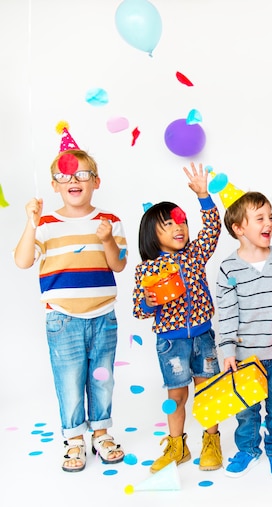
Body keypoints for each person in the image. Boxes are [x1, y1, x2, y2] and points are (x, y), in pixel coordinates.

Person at [14, 149, 127, 472]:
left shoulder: (110, 222)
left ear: (96, 182)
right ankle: (75, 439)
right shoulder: (46, 224)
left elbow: (118, 264)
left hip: (103, 315)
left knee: (102, 379)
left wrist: (107, 241)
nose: (73, 180)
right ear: (53, 184)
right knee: (69, 380)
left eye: (81, 174)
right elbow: (23, 261)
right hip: (63, 318)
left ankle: (101, 434)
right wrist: (30, 224)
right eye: (65, 175)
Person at [132, 162, 223, 474]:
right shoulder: (146, 269)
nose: (178, 228)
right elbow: (138, 308)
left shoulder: (195, 254)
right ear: (151, 235)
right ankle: (177, 445)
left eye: (180, 222)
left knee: (207, 389)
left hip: (203, 336)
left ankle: (211, 441)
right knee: (177, 394)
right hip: (170, 343)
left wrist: (204, 196)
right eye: (167, 225)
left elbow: (212, 229)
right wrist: (148, 301)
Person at [215, 191, 272, 480]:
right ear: (239, 229)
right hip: (244, 355)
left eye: (271, 217)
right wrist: (228, 352)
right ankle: (249, 449)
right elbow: (227, 313)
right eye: (260, 218)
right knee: (246, 410)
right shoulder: (229, 267)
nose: (269, 223)